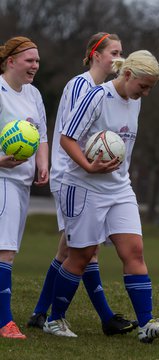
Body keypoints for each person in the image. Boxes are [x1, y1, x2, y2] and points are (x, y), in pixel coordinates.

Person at [43, 49, 159, 343]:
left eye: (150, 88)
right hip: (83, 186)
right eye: (143, 86)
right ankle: (54, 320)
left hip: (119, 188)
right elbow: (66, 138)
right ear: (127, 74)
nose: (146, 93)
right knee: (80, 256)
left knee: (134, 251)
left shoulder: (134, 102)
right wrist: (89, 166)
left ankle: (147, 324)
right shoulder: (96, 97)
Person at [27, 32, 138, 336]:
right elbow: (78, 136)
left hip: (91, 177)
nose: (120, 57)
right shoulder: (82, 85)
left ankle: (40, 313)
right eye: (114, 52)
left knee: (69, 249)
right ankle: (104, 318)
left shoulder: (110, 91)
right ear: (95, 55)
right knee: (83, 250)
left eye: (122, 51)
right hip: (71, 176)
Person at [0, 36, 49, 339]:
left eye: (38, 61)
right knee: (4, 251)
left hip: (21, 184)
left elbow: (41, 134)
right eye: (30, 60)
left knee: (9, 252)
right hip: (2, 180)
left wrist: (43, 163)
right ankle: (5, 322)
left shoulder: (33, 93)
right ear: (10, 61)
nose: (35, 66)